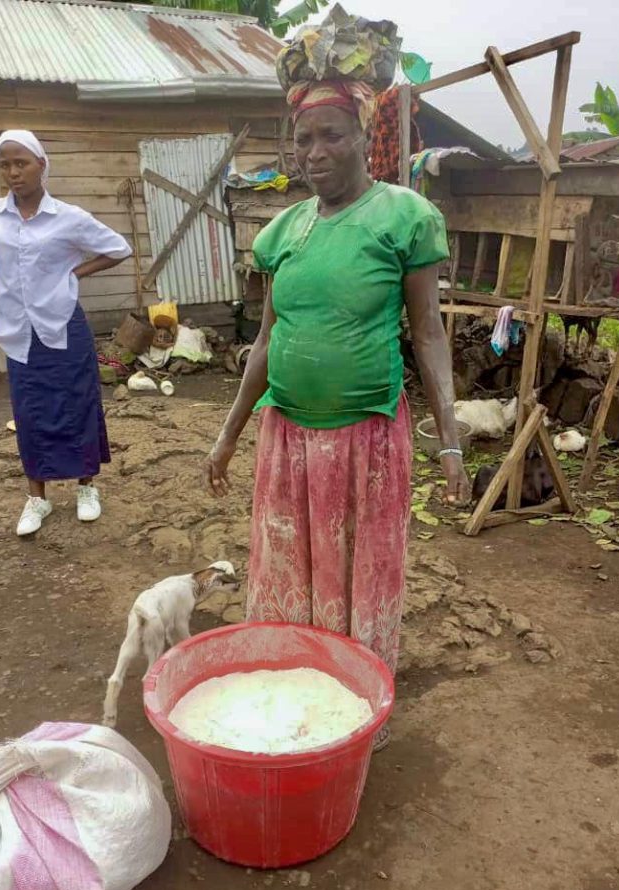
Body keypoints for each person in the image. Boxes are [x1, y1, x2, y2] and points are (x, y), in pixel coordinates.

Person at [205, 80, 469, 750]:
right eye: (304, 139)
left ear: (364, 139)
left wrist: (451, 442)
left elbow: (428, 333)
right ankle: (293, 702)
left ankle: (354, 715)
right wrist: (228, 435)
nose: (315, 152)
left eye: (332, 135)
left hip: (366, 442)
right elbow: (266, 341)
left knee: (359, 576)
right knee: (290, 572)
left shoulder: (403, 218)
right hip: (286, 438)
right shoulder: (284, 231)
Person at [0, 130, 132, 536]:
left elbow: (118, 248)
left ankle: (86, 487)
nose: (13, 172)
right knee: (30, 411)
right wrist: (0, 276)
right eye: (5, 165)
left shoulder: (68, 217)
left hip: (63, 325)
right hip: (18, 330)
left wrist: (74, 274)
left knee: (78, 403)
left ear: (41, 165)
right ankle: (37, 498)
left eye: (21, 163)